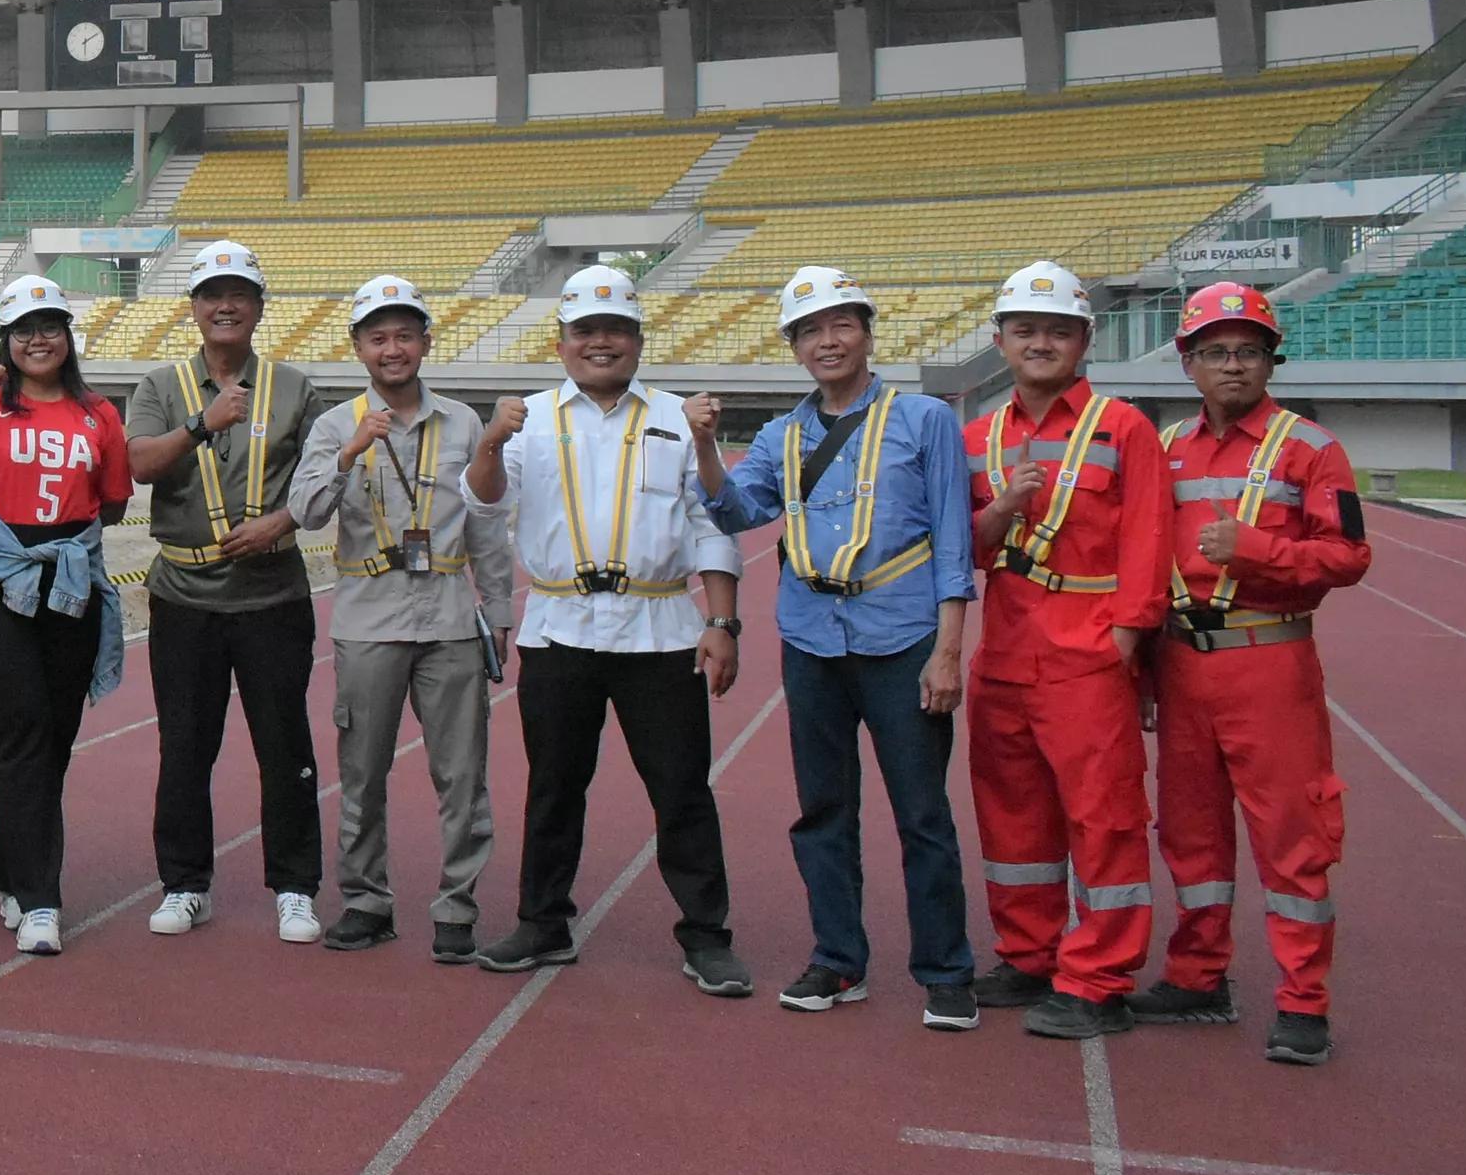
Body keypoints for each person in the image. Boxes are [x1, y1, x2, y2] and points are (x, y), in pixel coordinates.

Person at [693, 266, 979, 1030]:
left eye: (841, 323)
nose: (828, 340)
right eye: (810, 330)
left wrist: (949, 649)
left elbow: (954, 540)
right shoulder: (784, 436)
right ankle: (838, 958)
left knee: (922, 812)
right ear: (794, 345)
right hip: (811, 639)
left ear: (867, 330)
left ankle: (946, 969)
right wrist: (703, 444)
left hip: (903, 637)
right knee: (823, 808)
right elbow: (732, 510)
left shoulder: (924, 420)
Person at [466, 264, 751, 995]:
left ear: (638, 340)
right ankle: (542, 921)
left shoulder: (676, 419)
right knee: (555, 786)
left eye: (616, 331)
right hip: (560, 628)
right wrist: (493, 441)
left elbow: (710, 524)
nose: (601, 343)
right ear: (560, 343)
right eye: (585, 331)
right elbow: (488, 504)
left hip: (660, 630)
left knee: (682, 788)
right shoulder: (529, 419)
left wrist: (721, 620)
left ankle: (706, 934)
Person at [1137, 282, 1370, 1066]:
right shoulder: (1166, 447)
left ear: (1271, 359)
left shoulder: (1312, 447)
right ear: (1189, 364)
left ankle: (1304, 1001)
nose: (1231, 365)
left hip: (1270, 661)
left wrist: (1260, 550)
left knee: (1292, 835)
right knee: (1192, 831)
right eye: (1214, 352)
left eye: (1247, 351)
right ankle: (1198, 976)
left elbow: (1349, 556)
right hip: (1180, 665)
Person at [962, 260, 1171, 1042]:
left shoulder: (1124, 427)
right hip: (1007, 653)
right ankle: (1028, 954)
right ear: (1000, 340)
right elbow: (967, 545)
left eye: (1058, 330)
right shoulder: (979, 436)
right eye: (1026, 330)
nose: (1041, 342)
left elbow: (1149, 538)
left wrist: (1127, 638)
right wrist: (1005, 505)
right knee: (1012, 816)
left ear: (1085, 339)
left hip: (1088, 653)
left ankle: (1099, 977)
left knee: (1104, 818)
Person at [286, 273, 513, 962]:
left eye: (405, 334)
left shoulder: (464, 422)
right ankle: (366, 900)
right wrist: (353, 451)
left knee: (462, 775)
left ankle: (456, 906)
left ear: (425, 341)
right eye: (379, 336)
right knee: (362, 771)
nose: (393, 349)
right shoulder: (333, 425)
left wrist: (498, 608)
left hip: (448, 618)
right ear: (358, 346)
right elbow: (306, 512)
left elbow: (485, 523)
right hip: (368, 621)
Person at [123, 239, 324, 943]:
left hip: (272, 596)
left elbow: (320, 481)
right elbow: (138, 463)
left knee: (285, 744)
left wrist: (284, 517)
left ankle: (295, 887)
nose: (226, 304)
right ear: (195, 308)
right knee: (184, 746)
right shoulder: (160, 386)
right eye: (212, 293)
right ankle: (184, 884)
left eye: (239, 293)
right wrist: (200, 424)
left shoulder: (296, 387)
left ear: (260, 307)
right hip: (184, 597)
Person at [0, 275, 130, 957]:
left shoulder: (99, 413)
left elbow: (114, 500)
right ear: (5, 341)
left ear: (68, 335)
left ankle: (11, 870)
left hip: (69, 587)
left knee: (54, 741)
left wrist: (62, 542)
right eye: (23, 329)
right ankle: (42, 899)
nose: (37, 338)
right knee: (19, 736)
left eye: (49, 325)